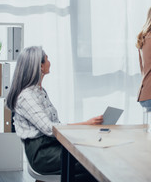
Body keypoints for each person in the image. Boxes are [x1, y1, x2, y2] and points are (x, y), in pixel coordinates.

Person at [6, 46, 103, 181]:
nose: (49, 62)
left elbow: (55, 125)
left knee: (92, 155)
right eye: (47, 59)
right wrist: (86, 124)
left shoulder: (40, 91)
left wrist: (85, 129)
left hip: (52, 146)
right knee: (92, 163)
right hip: (42, 154)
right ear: (40, 66)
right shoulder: (27, 96)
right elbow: (49, 128)